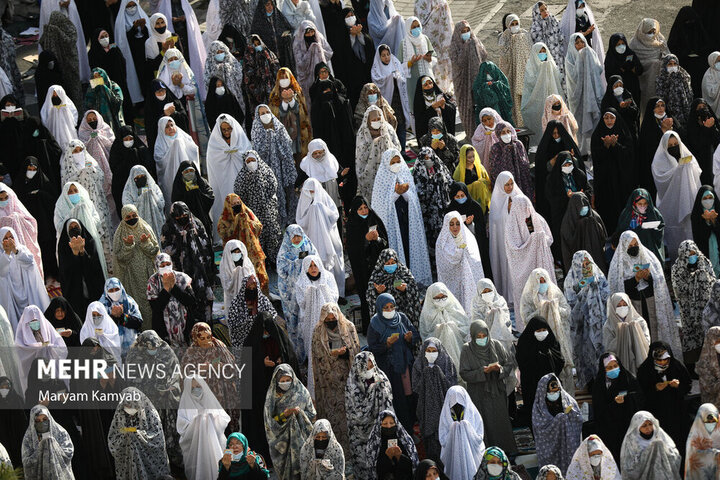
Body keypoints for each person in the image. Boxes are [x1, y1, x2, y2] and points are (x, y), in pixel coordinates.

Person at [608, 230, 680, 359]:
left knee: (654, 333)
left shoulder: (648, 257)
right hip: (633, 306)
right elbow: (618, 290)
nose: (633, 248)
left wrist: (647, 277)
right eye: (630, 246)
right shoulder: (618, 265)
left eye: (635, 244)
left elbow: (659, 282)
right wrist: (635, 279)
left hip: (651, 302)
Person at [372, 149, 432, 285]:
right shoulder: (382, 178)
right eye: (392, 162)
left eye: (398, 161)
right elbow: (380, 207)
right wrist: (395, 194)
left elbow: (413, 199)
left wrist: (404, 193)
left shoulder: (405, 173)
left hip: (407, 221)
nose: (396, 164)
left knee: (409, 247)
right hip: (393, 223)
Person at [460, 319, 517, 454]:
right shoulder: (467, 349)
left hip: (496, 392)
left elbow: (509, 364)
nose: (482, 339)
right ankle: (485, 454)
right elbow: (464, 373)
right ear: (473, 336)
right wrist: (482, 372)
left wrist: (499, 369)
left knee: (500, 421)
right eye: (478, 337)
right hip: (478, 394)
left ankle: (506, 452)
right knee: (482, 424)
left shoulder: (496, 345)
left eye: (484, 336)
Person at [367, 292, 420, 431]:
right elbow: (372, 348)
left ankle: (410, 426)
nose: (390, 310)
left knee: (408, 395)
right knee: (395, 398)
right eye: (386, 308)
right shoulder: (375, 323)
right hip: (388, 368)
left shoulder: (401, 318)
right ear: (379, 308)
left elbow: (414, 334)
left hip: (405, 365)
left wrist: (410, 338)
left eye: (392, 307)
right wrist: (387, 344)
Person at [311, 303, 361, 450]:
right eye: (328, 319)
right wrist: (331, 356)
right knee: (334, 417)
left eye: (334, 318)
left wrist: (345, 353)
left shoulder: (348, 327)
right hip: (329, 384)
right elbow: (317, 357)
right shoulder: (318, 333)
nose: (331, 321)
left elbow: (356, 351)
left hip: (348, 379)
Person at [160, 201, 215, 322]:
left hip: (201, 271)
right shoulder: (168, 228)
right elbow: (166, 250)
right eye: (178, 217)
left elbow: (207, 246)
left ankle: (207, 327)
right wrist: (181, 239)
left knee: (205, 300)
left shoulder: (197, 224)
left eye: (184, 216)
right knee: (188, 302)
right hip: (181, 272)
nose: (182, 219)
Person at [636, 342, 691, 457]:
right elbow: (640, 393)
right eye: (659, 360)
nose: (662, 363)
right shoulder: (644, 370)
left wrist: (678, 386)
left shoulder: (677, 366)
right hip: (657, 413)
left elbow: (687, 386)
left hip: (677, 413)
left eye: (665, 360)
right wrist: (654, 388)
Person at [652, 131, 702, 258]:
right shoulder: (658, 161)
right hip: (672, 204)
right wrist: (677, 170)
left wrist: (687, 167)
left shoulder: (686, 154)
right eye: (670, 146)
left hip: (689, 201)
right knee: (676, 236)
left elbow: (697, 170)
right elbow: (660, 180)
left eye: (675, 144)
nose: (673, 147)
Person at [563, 251, 609, 387]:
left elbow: (607, 296)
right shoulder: (570, 281)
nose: (585, 267)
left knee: (599, 351)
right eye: (582, 264)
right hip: (580, 325)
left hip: (598, 323)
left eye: (587, 263)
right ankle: (589, 382)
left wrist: (594, 287)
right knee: (584, 354)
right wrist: (583, 291)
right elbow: (569, 304)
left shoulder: (599, 277)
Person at [504, 196, 554, 319]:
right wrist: (533, 241)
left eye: (527, 207)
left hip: (540, 262)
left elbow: (549, 239)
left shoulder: (538, 219)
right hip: (522, 269)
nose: (525, 210)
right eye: (522, 207)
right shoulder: (511, 225)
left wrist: (540, 239)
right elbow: (514, 249)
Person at [345, 351, 394, 477]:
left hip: (380, 428)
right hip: (359, 434)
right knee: (363, 462)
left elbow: (388, 405)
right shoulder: (352, 383)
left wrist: (378, 388)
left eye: (371, 366)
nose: (369, 369)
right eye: (366, 367)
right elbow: (354, 411)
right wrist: (372, 390)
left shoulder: (381, 379)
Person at [107, 387, 173, 479]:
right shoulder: (120, 414)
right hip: (128, 458)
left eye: (132, 404)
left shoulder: (151, 414)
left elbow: (157, 438)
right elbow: (115, 435)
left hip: (148, 459)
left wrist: (137, 434)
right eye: (127, 405)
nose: (129, 408)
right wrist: (129, 432)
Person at [264, 364, 316, 479]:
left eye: (288, 380)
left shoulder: (302, 392)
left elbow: (312, 415)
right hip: (282, 444)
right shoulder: (272, 397)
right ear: (277, 381)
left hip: (302, 438)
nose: (285, 382)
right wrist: (284, 415)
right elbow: (270, 422)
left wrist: (300, 413)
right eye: (282, 380)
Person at [296, 178, 345, 297]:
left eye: (314, 191)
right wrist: (312, 212)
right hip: (311, 241)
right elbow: (300, 221)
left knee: (334, 266)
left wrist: (320, 209)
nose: (312, 194)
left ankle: (337, 294)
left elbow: (334, 216)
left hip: (329, 239)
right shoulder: (304, 203)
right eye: (309, 192)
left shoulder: (325, 201)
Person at [251, 105, 298, 229]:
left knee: (289, 193)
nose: (265, 115)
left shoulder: (279, 127)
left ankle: (291, 219)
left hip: (284, 167)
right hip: (268, 169)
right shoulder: (256, 129)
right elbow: (258, 151)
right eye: (262, 113)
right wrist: (268, 138)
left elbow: (287, 144)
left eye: (267, 112)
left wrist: (275, 138)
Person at [294, 254, 338, 384]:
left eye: (315, 265)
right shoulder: (301, 282)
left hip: (329, 320)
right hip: (310, 322)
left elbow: (334, 297)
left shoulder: (328, 277)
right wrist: (311, 294)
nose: (313, 268)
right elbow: (301, 303)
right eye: (310, 266)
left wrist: (321, 291)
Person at [592, 353, 645, 462]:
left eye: (615, 366)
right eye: (609, 367)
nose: (613, 369)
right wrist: (614, 404)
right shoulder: (599, 385)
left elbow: (639, 396)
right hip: (610, 429)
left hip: (628, 425)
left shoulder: (628, 378)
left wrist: (627, 399)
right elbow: (599, 408)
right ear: (603, 369)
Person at [346, 196, 388, 331]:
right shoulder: (352, 224)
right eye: (360, 209)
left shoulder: (374, 219)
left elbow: (386, 242)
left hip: (377, 266)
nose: (364, 211)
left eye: (365, 208)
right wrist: (365, 240)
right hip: (362, 268)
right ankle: (370, 327)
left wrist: (378, 239)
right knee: (366, 296)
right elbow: (352, 250)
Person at [177, 375, 230, 480]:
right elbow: (182, 429)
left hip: (213, 446)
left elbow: (224, 420)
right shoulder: (184, 406)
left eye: (198, 386)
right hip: (195, 449)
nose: (196, 389)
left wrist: (212, 418)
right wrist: (197, 421)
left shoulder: (209, 401)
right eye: (193, 388)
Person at [591, 107, 636, 229]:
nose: (609, 120)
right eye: (606, 118)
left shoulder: (624, 132)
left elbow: (628, 155)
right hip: (605, 181)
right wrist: (605, 146)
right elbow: (596, 157)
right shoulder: (597, 135)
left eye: (612, 118)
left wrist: (616, 145)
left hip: (622, 180)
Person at [412, 338, 457, 462]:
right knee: (431, 439)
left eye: (434, 350)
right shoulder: (419, 364)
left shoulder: (447, 362)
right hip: (426, 408)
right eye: (428, 350)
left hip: (445, 406)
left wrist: (438, 374)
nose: (431, 353)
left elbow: (452, 384)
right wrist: (427, 375)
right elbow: (415, 387)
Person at [113, 204, 158, 326]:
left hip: (149, 274)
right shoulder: (120, 234)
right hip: (132, 278)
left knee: (153, 306)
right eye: (128, 217)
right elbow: (120, 259)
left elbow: (155, 251)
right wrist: (128, 246)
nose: (132, 218)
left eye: (134, 215)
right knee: (138, 307)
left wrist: (145, 243)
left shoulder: (146, 228)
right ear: (123, 218)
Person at [233, 151, 282, 264]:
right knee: (257, 236)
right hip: (253, 212)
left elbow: (273, 186)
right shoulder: (242, 176)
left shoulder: (266, 171)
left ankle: (274, 260)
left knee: (272, 234)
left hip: (268, 210)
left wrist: (264, 199)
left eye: (253, 160)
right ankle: (261, 262)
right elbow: (239, 192)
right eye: (248, 161)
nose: (251, 163)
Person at [672, 240, 715, 364]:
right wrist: (693, 280)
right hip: (688, 308)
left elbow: (712, 281)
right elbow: (678, 289)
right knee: (691, 335)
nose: (692, 256)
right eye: (688, 254)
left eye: (693, 253)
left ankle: (709, 363)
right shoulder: (677, 268)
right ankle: (691, 366)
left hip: (705, 305)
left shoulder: (704, 262)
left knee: (707, 334)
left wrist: (701, 277)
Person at [206, 113, 251, 229]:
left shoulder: (241, 139)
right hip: (223, 180)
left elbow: (248, 155)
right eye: (224, 130)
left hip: (240, 178)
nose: (227, 132)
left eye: (229, 129)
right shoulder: (214, 143)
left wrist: (235, 153)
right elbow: (213, 160)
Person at [545, 152, 591, 263]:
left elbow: (589, 190)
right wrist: (566, 197)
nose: (567, 167)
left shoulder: (579, 175)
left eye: (569, 164)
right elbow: (550, 197)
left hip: (579, 213)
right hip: (562, 214)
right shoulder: (553, 179)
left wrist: (582, 194)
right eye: (564, 165)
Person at [435, 212, 485, 313]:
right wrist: (458, 252)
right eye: (451, 224)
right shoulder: (441, 242)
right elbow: (444, 263)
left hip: (467, 279)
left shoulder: (468, 238)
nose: (455, 227)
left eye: (458, 224)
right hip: (451, 281)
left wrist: (462, 247)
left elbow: (474, 260)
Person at [533, 373, 583, 474]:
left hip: (568, 445)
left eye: (557, 390)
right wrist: (558, 420)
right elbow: (540, 428)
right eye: (551, 391)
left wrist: (568, 417)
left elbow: (578, 418)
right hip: (549, 449)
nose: (555, 393)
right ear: (544, 391)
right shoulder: (539, 408)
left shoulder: (568, 401)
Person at [565, 33, 604, 155]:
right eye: (577, 43)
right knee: (579, 124)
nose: (580, 45)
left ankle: (593, 149)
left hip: (590, 94)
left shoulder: (590, 53)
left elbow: (598, 69)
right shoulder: (570, 58)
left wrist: (587, 59)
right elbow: (572, 77)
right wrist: (581, 61)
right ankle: (581, 151)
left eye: (582, 42)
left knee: (594, 122)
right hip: (577, 97)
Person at [366, 248, 423, 330]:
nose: (390, 265)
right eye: (387, 263)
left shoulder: (403, 272)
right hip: (386, 313)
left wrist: (405, 289)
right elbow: (369, 296)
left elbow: (414, 289)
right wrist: (377, 291)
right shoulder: (377, 275)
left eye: (393, 263)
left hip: (404, 312)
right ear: (382, 263)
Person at [487, 172, 523, 300]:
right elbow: (495, 220)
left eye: (511, 183)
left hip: (518, 240)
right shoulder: (497, 200)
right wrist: (506, 210)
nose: (509, 187)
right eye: (506, 184)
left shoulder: (518, 196)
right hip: (503, 241)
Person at [437, 385, 484, 479]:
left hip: (473, 454)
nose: (457, 407)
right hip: (453, 454)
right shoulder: (445, 416)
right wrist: (454, 430)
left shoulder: (472, 413)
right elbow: (443, 439)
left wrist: (465, 427)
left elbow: (479, 436)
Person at [522, 42, 564, 148]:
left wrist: (548, 69)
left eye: (544, 51)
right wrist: (542, 71)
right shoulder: (530, 66)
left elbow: (557, 77)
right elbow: (530, 83)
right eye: (539, 52)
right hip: (537, 101)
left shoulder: (550, 63)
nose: (542, 54)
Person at [419, 283, 470, 369]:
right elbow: (425, 335)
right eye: (437, 298)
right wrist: (439, 330)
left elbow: (465, 327)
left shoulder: (455, 309)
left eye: (443, 297)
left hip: (459, 349)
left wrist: (452, 327)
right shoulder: (427, 315)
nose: (441, 300)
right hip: (438, 354)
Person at [355, 106, 401, 199]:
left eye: (378, 119)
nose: (377, 121)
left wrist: (386, 141)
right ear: (368, 120)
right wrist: (375, 144)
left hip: (389, 168)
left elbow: (398, 147)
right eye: (374, 120)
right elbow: (361, 156)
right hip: (371, 172)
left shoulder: (388, 129)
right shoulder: (363, 133)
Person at [449, 20, 487, 134]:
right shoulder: (454, 46)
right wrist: (466, 48)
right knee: (466, 110)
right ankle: (470, 135)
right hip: (463, 83)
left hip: (476, 81)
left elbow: (484, 54)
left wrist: (474, 45)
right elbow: (458, 63)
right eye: (463, 31)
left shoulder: (475, 41)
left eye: (468, 30)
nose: (466, 33)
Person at [620, 411, 681, 479]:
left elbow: (673, 452)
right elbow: (629, 465)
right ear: (637, 426)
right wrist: (648, 453)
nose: (648, 428)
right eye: (644, 426)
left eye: (650, 424)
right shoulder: (632, 439)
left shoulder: (658, 433)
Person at [371, 44, 411, 149]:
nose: (386, 57)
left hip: (398, 100)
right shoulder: (376, 68)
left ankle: (403, 150)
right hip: (387, 103)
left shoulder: (395, 62)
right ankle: (393, 150)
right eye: (383, 55)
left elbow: (403, 77)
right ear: (379, 57)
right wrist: (389, 77)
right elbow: (377, 81)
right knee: (390, 127)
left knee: (401, 124)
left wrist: (397, 77)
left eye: (388, 54)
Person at [0, 184, 43, 279]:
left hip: (22, 250)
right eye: (1, 199)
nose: (4, 201)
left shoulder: (17, 207)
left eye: (6, 197)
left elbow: (32, 224)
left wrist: (17, 218)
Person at [77, 111, 116, 217]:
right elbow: (80, 149)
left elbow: (112, 144)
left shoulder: (105, 128)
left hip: (108, 164)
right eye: (89, 120)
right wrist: (91, 139)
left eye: (94, 119)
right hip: (93, 170)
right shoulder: (83, 132)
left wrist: (99, 137)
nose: (92, 122)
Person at [412, 147, 453, 247]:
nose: (428, 159)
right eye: (425, 157)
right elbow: (417, 192)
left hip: (442, 209)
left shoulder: (440, 168)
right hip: (428, 212)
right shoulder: (418, 173)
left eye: (430, 157)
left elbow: (449, 182)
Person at [268, 68, 312, 161]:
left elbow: (300, 110)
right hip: (284, 129)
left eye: (286, 77)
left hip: (298, 128)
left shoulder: (297, 91)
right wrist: (284, 101)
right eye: (281, 78)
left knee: (300, 153)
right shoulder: (274, 94)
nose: (284, 80)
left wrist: (291, 100)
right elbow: (275, 114)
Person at [612, 188, 665, 264]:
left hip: (650, 247)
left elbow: (661, 227)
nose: (642, 206)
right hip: (633, 248)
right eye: (640, 204)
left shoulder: (654, 213)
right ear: (634, 203)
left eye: (645, 203)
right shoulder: (627, 214)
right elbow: (621, 230)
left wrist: (653, 228)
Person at [21, 405, 75, 480]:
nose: (42, 423)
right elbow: (27, 463)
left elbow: (68, 453)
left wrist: (52, 444)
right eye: (38, 421)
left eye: (45, 419)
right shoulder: (28, 439)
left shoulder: (61, 432)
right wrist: (41, 447)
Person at [602, 292, 650, 376]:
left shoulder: (640, 322)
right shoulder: (609, 325)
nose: (622, 307)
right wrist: (623, 335)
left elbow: (646, 341)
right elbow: (608, 346)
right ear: (613, 307)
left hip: (640, 358)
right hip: (620, 361)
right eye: (619, 305)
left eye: (624, 304)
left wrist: (633, 332)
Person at [114, 0, 150, 108]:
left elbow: (149, 36)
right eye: (128, 6)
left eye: (133, 5)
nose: (132, 8)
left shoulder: (143, 15)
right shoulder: (120, 21)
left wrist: (143, 28)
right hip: (132, 56)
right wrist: (133, 29)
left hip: (144, 55)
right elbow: (123, 41)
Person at [637, 98, 676, 199]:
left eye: (662, 105)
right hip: (655, 169)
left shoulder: (672, 121)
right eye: (657, 106)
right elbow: (648, 149)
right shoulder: (648, 126)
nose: (660, 108)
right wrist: (662, 131)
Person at [154, 116, 200, 200]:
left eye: (172, 125)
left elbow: (194, 150)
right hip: (171, 175)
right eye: (167, 127)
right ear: (162, 129)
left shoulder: (184, 137)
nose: (171, 128)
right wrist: (173, 152)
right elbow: (160, 161)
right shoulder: (160, 144)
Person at [561, 193, 607, 275]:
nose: (583, 208)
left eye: (585, 204)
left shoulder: (594, 217)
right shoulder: (568, 223)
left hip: (597, 258)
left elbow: (603, 237)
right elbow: (567, 245)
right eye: (580, 205)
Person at [227, 273, 276, 349]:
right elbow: (232, 323)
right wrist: (251, 322)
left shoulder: (263, 300)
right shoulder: (237, 302)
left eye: (254, 288)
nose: (252, 290)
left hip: (260, 340)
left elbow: (272, 315)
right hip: (242, 341)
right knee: (246, 360)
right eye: (249, 288)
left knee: (260, 359)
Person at [367, 409, 419, 480]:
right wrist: (387, 457)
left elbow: (412, 465)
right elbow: (374, 469)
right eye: (385, 424)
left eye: (391, 423)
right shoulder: (374, 443)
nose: (388, 426)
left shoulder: (405, 440)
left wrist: (399, 457)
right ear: (379, 425)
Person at [498, 14, 531, 126]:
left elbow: (528, 54)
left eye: (516, 23)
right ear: (507, 25)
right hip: (511, 75)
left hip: (523, 74)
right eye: (512, 24)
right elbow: (503, 60)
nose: (515, 26)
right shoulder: (504, 37)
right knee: (515, 102)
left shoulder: (524, 35)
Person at [629, 19, 669, 108]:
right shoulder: (634, 44)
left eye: (653, 31)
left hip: (659, 80)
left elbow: (668, 56)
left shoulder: (660, 40)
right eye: (649, 32)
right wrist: (652, 64)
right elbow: (632, 62)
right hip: (642, 80)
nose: (652, 34)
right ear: (642, 32)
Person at [98, 277, 143, 356]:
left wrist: (122, 317)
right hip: (111, 350)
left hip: (132, 348)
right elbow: (98, 330)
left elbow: (138, 323)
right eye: (111, 290)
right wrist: (113, 317)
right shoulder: (100, 306)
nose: (114, 292)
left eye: (117, 289)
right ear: (106, 291)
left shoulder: (129, 302)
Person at [488, 122, 533, 197]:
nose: (506, 134)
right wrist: (506, 153)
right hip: (505, 186)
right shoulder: (495, 148)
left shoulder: (518, 144)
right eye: (503, 132)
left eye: (508, 131)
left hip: (521, 181)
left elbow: (525, 164)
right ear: (498, 134)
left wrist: (514, 151)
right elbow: (494, 170)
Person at [218, 231, 263, 305]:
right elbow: (226, 285)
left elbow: (253, 279)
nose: (237, 254)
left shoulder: (246, 263)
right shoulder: (225, 264)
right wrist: (236, 275)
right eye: (234, 252)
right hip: (232, 300)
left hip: (248, 297)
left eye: (239, 252)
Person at [144, 79, 189, 153]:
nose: (161, 93)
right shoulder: (150, 108)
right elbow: (151, 129)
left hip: (178, 142)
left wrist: (174, 113)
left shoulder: (174, 102)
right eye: (158, 91)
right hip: (163, 148)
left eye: (163, 90)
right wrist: (164, 116)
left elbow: (184, 118)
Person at [120, 165, 163, 240]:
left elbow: (161, 204)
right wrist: (141, 198)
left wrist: (151, 194)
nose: (141, 179)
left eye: (142, 176)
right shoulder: (128, 192)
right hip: (138, 227)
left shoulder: (153, 187)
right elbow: (128, 209)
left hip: (156, 222)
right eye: (137, 178)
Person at [250, 0, 295, 70]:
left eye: (272, 4)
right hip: (268, 59)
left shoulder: (278, 17)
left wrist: (287, 36)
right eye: (267, 5)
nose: (270, 7)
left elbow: (290, 30)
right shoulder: (258, 21)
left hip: (283, 56)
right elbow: (254, 38)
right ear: (263, 6)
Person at [686, 99, 720, 186]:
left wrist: (711, 127)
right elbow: (696, 144)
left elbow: (717, 139)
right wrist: (705, 128)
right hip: (699, 161)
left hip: (712, 158)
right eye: (699, 107)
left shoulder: (711, 120)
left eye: (704, 107)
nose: (702, 109)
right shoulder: (691, 125)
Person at [530, 2, 565, 86]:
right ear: (537, 13)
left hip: (558, 57)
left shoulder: (553, 20)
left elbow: (561, 37)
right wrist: (544, 63)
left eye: (546, 9)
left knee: (561, 81)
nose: (545, 11)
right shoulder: (535, 27)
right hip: (546, 61)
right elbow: (539, 48)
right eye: (542, 10)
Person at [604, 34, 644, 107]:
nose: (621, 46)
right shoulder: (610, 59)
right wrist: (621, 69)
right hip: (618, 92)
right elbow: (609, 77)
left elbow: (640, 70)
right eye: (618, 44)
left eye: (623, 43)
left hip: (633, 89)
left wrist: (631, 68)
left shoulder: (630, 53)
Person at [655, 54, 693, 128]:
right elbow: (661, 97)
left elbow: (689, 94)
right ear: (665, 65)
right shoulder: (660, 79)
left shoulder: (684, 76)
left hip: (684, 111)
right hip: (669, 114)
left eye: (675, 64)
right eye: (670, 64)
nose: (673, 66)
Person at [413, 77, 457, 142]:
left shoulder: (440, 95)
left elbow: (452, 109)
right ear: (421, 87)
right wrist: (432, 108)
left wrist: (444, 106)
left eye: (430, 83)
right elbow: (420, 119)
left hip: (444, 131)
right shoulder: (419, 100)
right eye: (425, 85)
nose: (429, 86)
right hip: (429, 134)